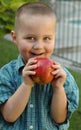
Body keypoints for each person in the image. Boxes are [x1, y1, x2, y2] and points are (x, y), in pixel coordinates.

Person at [0, 2, 79, 130]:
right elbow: (9, 116)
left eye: (47, 38)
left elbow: (59, 118)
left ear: (54, 38)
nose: (38, 46)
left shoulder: (62, 77)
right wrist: (26, 85)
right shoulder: (7, 74)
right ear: (15, 38)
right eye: (30, 38)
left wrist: (58, 88)